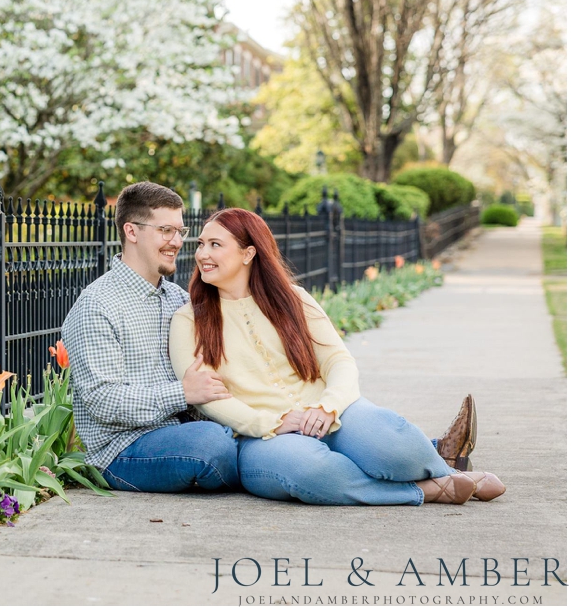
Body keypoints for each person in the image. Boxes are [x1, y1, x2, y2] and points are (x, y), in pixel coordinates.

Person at [168, 207, 504, 506]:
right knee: (309, 470)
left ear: (248, 253)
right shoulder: (189, 320)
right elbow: (207, 399)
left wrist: (328, 406)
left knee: (394, 446)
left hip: (330, 414)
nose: (202, 254)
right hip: (261, 439)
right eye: (200, 244)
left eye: (215, 244)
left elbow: (339, 362)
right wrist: (273, 422)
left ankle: (437, 463)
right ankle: (435, 487)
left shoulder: (294, 299)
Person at [61, 182, 240, 493]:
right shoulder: (97, 304)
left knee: (244, 434)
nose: (177, 241)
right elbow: (102, 399)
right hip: (120, 452)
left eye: (180, 231)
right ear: (132, 232)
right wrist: (182, 394)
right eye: (166, 231)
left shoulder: (177, 299)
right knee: (211, 446)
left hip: (181, 433)